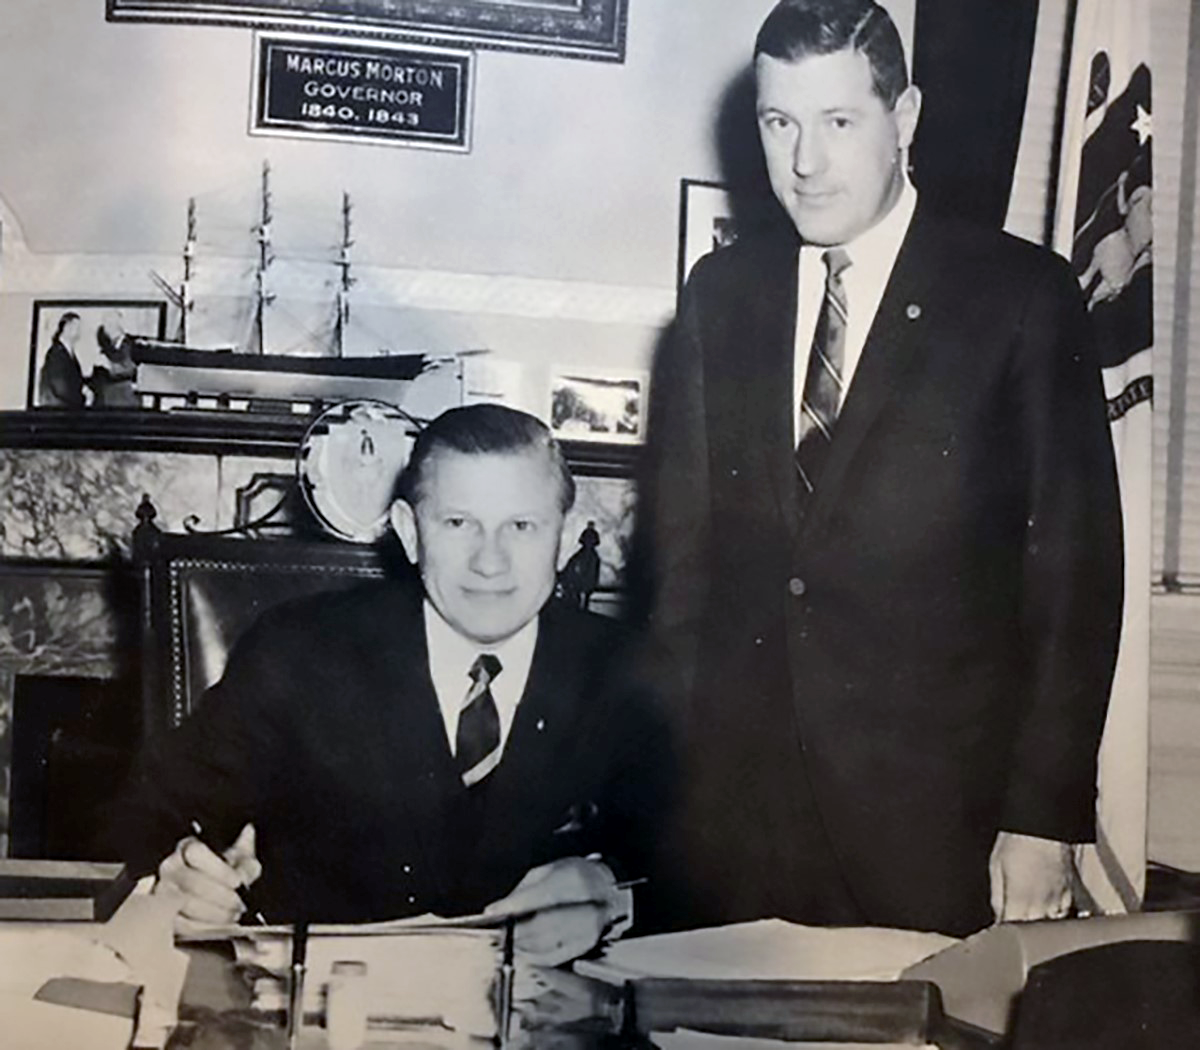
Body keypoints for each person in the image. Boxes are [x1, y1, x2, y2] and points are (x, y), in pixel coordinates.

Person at [644, 0, 1123, 937]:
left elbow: (1073, 582)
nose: (805, 162)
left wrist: (1041, 819)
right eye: (779, 124)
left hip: (940, 831)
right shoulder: (720, 296)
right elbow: (682, 583)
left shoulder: (1021, 297)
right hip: (736, 831)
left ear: (903, 119)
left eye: (838, 122)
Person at [113, 404, 671, 963]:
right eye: (458, 523)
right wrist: (178, 873)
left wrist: (613, 892)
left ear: (565, 535)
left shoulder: (625, 669)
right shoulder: (301, 652)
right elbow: (146, 812)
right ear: (408, 531)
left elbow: (706, 859)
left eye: (521, 526)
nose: (490, 562)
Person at [37, 311, 86, 407]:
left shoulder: (66, 352)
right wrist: (83, 398)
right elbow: (61, 388)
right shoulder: (56, 354)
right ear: (67, 327)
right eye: (77, 327)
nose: (79, 331)